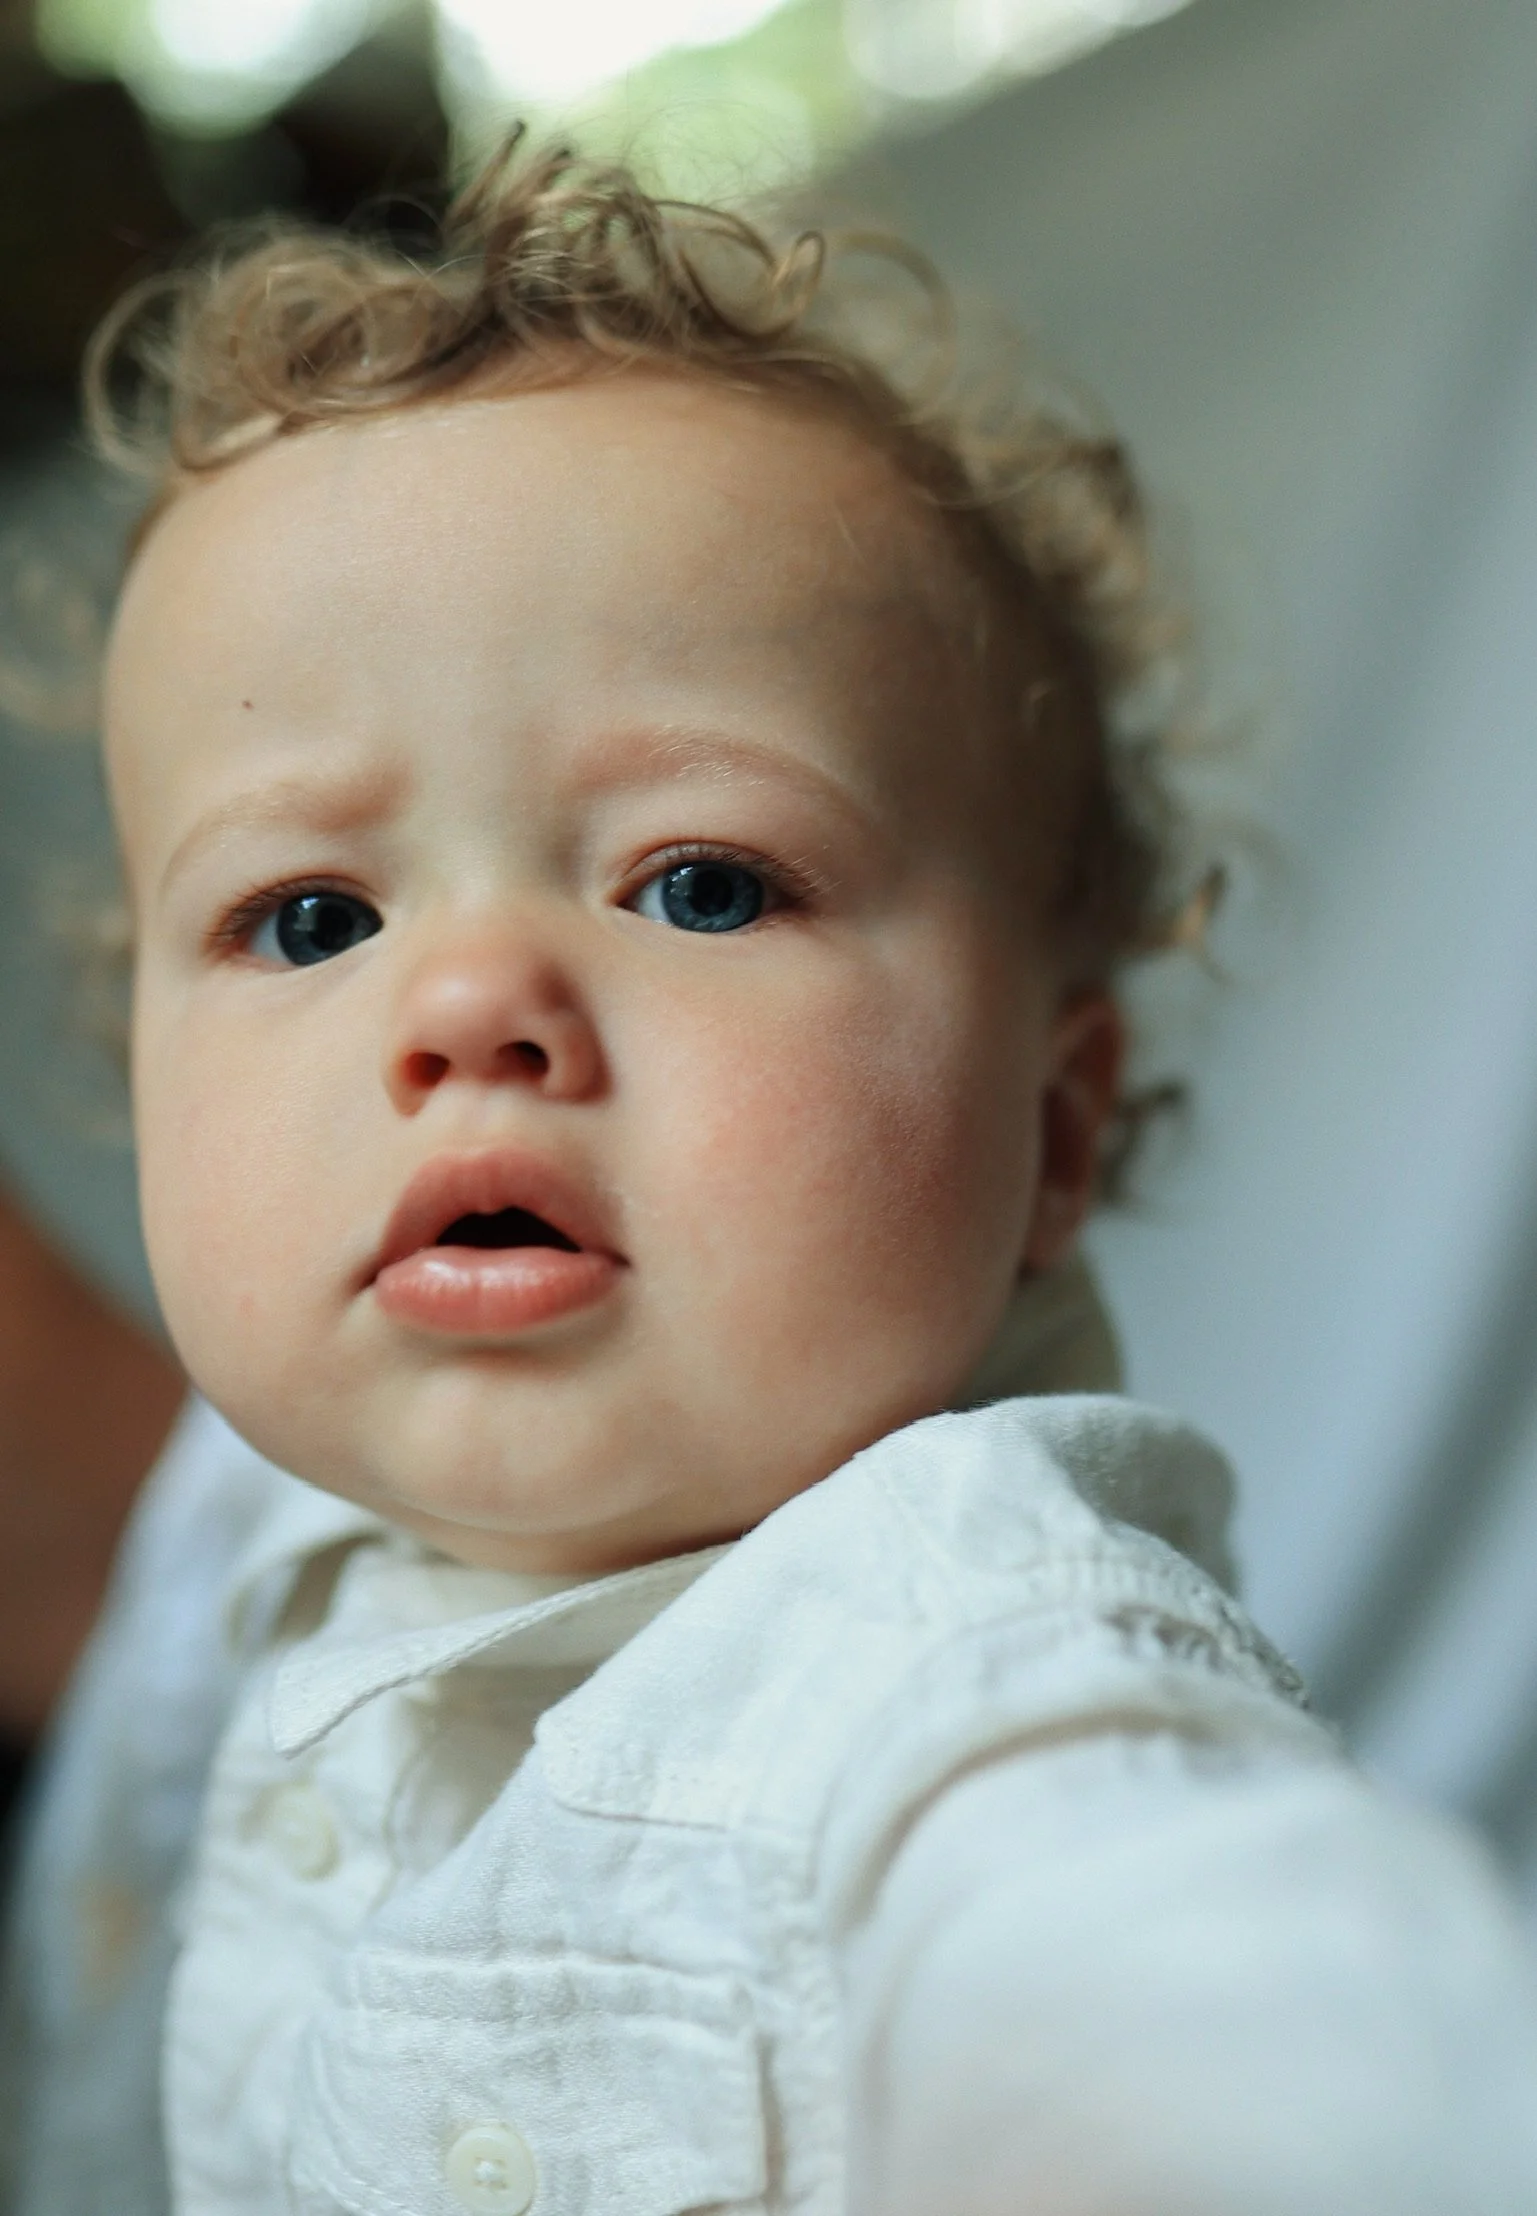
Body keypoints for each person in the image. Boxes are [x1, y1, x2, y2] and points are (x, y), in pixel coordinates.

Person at [6, 139, 1537, 2215]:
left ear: (1055, 1133)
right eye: (304, 919)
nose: (468, 1003)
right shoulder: (258, 1548)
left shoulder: (976, 1691)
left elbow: (1240, 2026)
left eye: (700, 881)